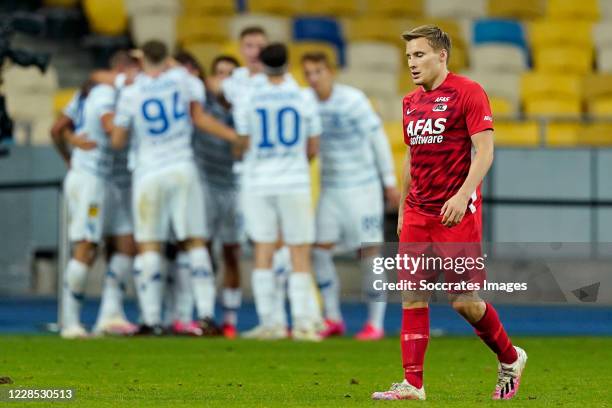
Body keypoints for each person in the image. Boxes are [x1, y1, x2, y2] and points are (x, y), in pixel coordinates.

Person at [371, 25, 526, 401]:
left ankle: (511, 356)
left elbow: (485, 151)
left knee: (464, 301)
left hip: (456, 213)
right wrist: (404, 208)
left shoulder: (468, 92)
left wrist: (462, 195)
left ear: (442, 55)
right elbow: (411, 154)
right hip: (418, 212)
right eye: (409, 56)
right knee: (412, 296)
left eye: (419, 54)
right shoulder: (410, 102)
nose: (412, 63)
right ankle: (413, 384)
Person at [111, 40, 239, 335]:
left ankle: (151, 319)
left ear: (143, 59)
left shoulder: (131, 92)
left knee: (149, 245)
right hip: (182, 167)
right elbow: (199, 116)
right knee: (195, 242)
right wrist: (233, 136)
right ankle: (206, 315)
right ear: (165, 57)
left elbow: (118, 140)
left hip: (148, 173)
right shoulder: (183, 80)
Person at [301, 52, 400, 340]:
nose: (314, 78)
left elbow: (377, 139)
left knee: (369, 252)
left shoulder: (353, 100)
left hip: (363, 187)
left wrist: (389, 182)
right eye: (308, 73)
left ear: (331, 72)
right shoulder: (305, 102)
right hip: (332, 188)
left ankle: (376, 324)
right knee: (319, 251)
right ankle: (332, 317)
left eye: (318, 71)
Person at [234, 43, 322, 341]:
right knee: (298, 253)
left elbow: (243, 140)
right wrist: (294, 163)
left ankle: (270, 323)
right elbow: (313, 146)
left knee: (264, 249)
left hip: (259, 181)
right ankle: (301, 324)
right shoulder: (304, 96)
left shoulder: (248, 96)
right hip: (294, 181)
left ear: (261, 63)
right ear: (287, 63)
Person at [50, 77, 125, 338]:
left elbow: (55, 129)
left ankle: (77, 319)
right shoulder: (105, 95)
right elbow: (109, 130)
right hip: (90, 180)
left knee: (93, 244)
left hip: (88, 176)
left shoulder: (82, 96)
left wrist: (68, 156)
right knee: (86, 244)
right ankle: (70, 322)